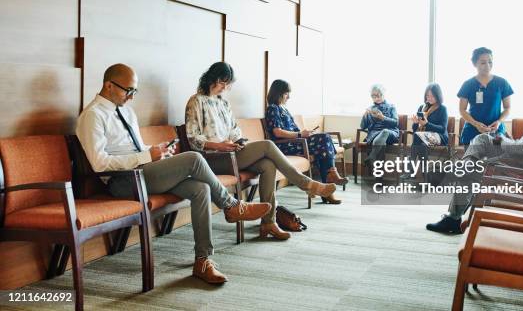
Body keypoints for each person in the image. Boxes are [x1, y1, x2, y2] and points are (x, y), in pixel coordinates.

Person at [76, 64, 271, 285]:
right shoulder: (92, 116)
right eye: (127, 91)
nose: (131, 97)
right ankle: (231, 205)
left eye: (134, 92)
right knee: (194, 158)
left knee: (201, 189)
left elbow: (137, 149)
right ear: (109, 85)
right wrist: (146, 156)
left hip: (143, 174)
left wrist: (157, 151)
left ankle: (202, 260)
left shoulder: (127, 112)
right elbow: (99, 164)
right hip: (122, 181)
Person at [185, 62, 336, 240]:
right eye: (221, 82)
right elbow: (192, 138)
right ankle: (306, 184)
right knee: (267, 145)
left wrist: (239, 141)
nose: (224, 87)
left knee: (268, 165)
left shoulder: (223, 103)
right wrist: (220, 146)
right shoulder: (196, 101)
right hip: (213, 158)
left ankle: (268, 223)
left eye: (227, 84)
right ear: (211, 78)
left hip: (231, 153)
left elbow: (235, 131)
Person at [426, 74, 523, 234]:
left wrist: (505, 142)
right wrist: (509, 141)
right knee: (482, 139)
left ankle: (453, 209)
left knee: (475, 167)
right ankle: (459, 172)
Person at [265, 79, 348, 205]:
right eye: (287, 93)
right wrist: (300, 134)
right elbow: (277, 132)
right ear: (279, 93)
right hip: (283, 145)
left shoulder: (284, 109)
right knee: (324, 139)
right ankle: (330, 180)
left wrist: (306, 134)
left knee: (324, 145)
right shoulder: (272, 108)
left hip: (296, 142)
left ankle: (329, 183)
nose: (289, 97)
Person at [458, 47, 513, 145]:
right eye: (483, 63)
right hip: (472, 132)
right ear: (475, 64)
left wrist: (499, 122)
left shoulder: (502, 82)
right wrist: (476, 124)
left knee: (494, 160)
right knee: (473, 160)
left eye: (490, 62)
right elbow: (462, 110)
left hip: (495, 132)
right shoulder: (468, 84)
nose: (487, 65)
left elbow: (507, 107)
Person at [360, 84, 400, 166]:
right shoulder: (370, 109)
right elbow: (363, 126)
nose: (376, 98)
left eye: (379, 96)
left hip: (390, 133)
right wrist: (365, 116)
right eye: (374, 96)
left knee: (384, 132)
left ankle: (372, 156)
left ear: (383, 94)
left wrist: (383, 117)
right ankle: (378, 176)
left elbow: (396, 122)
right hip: (375, 134)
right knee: (381, 143)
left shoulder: (391, 107)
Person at [411, 83, 449, 148]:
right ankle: (417, 158)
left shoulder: (442, 108)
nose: (429, 98)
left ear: (438, 96)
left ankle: (413, 158)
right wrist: (415, 123)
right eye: (427, 96)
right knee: (418, 137)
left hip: (440, 137)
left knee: (418, 136)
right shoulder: (422, 107)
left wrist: (427, 124)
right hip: (424, 136)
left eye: (432, 96)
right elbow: (415, 130)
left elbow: (442, 129)